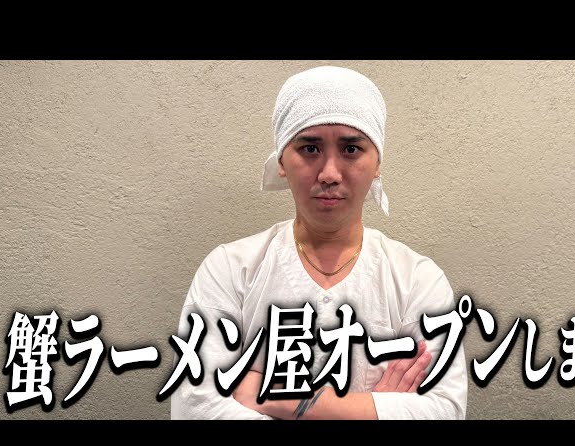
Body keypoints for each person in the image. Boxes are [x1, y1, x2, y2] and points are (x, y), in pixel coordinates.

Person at [171, 65, 468, 420]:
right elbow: (196, 405)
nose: (329, 174)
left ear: (377, 162)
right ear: (282, 160)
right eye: (310, 148)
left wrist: (279, 399)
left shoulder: (417, 279)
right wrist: (372, 410)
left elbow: (444, 409)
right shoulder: (230, 270)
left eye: (351, 149)